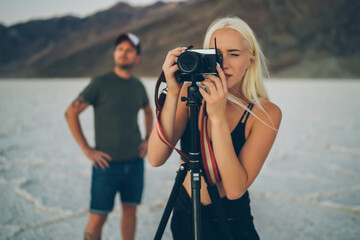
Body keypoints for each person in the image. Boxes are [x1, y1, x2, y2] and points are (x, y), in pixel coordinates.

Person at [147, 16, 282, 239]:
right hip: (184, 213)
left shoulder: (265, 113)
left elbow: (235, 189)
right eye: (217, 55)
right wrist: (172, 92)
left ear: (251, 59)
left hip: (229, 222)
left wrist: (217, 117)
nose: (224, 63)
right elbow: (155, 157)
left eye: (234, 54)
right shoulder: (188, 94)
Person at [65, 32, 153, 240]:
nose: (123, 54)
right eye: (120, 49)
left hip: (135, 163)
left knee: (130, 212)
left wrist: (148, 139)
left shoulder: (138, 86)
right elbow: (71, 112)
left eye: (129, 50)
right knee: (97, 218)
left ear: (137, 57)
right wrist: (87, 150)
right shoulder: (100, 83)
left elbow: (149, 111)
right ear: (114, 54)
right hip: (106, 164)